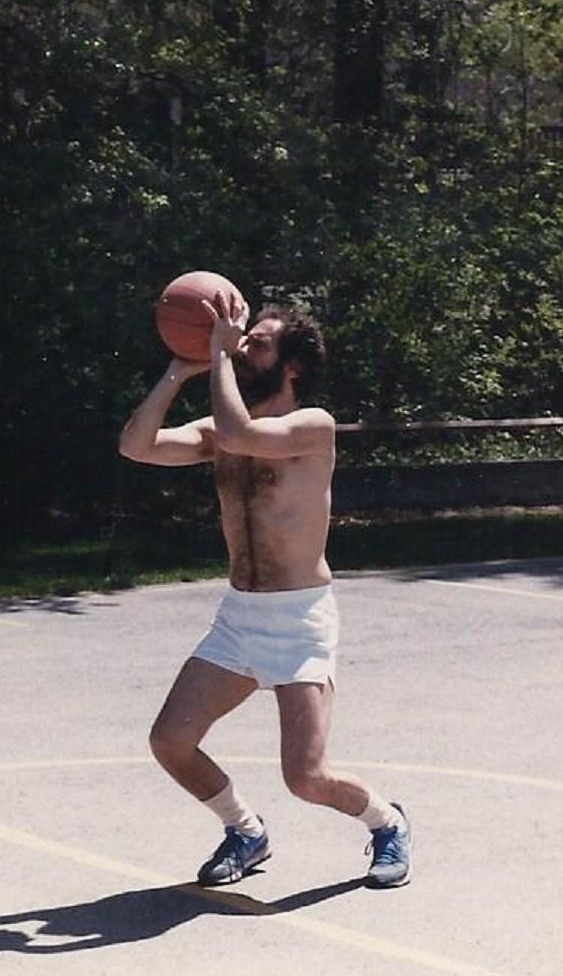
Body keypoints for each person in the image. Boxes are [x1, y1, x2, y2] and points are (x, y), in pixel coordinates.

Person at [118, 286, 412, 890]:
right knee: (170, 741)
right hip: (240, 616)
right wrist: (179, 368)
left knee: (306, 777)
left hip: (299, 619)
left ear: (292, 365)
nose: (243, 345)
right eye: (244, 339)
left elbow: (244, 435)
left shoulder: (312, 427)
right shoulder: (219, 429)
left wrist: (221, 356)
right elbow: (136, 445)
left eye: (258, 343)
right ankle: (245, 830)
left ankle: (387, 823)